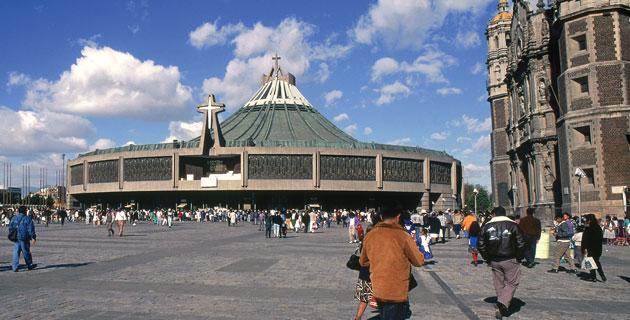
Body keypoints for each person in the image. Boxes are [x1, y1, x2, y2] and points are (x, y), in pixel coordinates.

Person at [360, 206, 425, 320]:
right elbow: (419, 261)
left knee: (384, 314)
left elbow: (363, 261)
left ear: (381, 217)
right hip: (396, 289)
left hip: (379, 286)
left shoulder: (371, 235)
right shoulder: (403, 235)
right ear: (398, 217)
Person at [478, 206, 525, 319]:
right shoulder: (513, 225)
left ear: (494, 214)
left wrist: (487, 258)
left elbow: (481, 244)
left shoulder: (486, 226)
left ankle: (501, 303)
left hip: (494, 259)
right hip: (510, 258)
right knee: (512, 282)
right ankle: (503, 302)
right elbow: (521, 243)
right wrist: (519, 257)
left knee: (498, 282)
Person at [9, 206, 37, 272]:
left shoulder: (14, 218)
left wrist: (12, 234)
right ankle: (29, 265)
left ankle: (14, 267)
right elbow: (30, 229)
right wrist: (33, 237)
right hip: (24, 237)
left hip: (16, 237)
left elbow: (10, 227)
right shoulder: (27, 219)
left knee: (16, 252)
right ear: (25, 211)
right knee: (26, 252)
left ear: (18, 211)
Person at [581, 214, 606, 282]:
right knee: (597, 262)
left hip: (590, 248)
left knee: (591, 262)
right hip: (598, 248)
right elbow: (600, 238)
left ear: (589, 220)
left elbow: (585, 239)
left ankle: (593, 277)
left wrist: (584, 248)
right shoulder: (598, 227)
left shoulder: (588, 228)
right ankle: (602, 275)